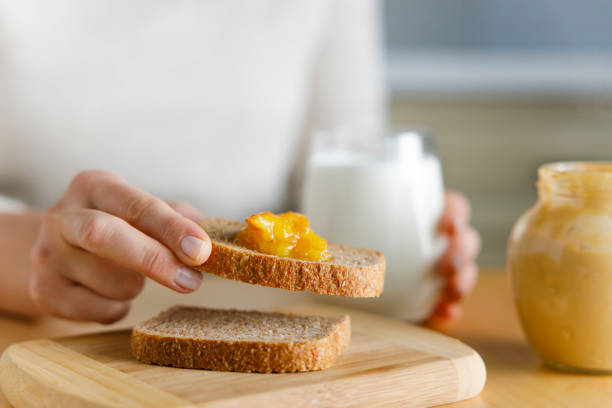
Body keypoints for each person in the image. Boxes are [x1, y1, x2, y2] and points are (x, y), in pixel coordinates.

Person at [0, 0, 480, 324]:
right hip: (37, 332)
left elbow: (353, 158)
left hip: (275, 322)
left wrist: (407, 252)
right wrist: (35, 256)